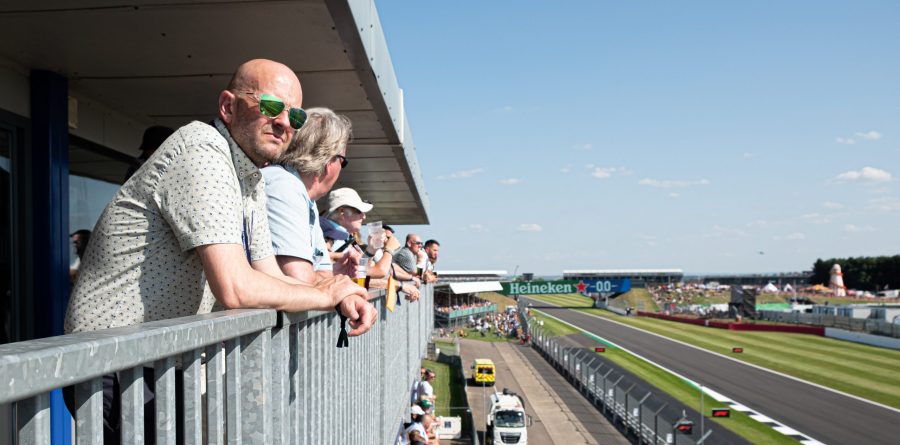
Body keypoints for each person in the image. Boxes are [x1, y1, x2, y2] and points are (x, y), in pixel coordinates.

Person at [63, 59, 375, 442]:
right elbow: (236, 288)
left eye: (294, 114)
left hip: (157, 362)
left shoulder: (250, 176)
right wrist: (326, 294)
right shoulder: (202, 150)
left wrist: (339, 290)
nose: (284, 123)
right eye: (271, 106)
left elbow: (269, 276)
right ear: (228, 107)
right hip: (113, 364)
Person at [261, 107, 359, 282]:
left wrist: (336, 272)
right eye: (343, 162)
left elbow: (320, 275)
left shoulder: (306, 198)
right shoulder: (284, 186)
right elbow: (301, 281)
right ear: (329, 161)